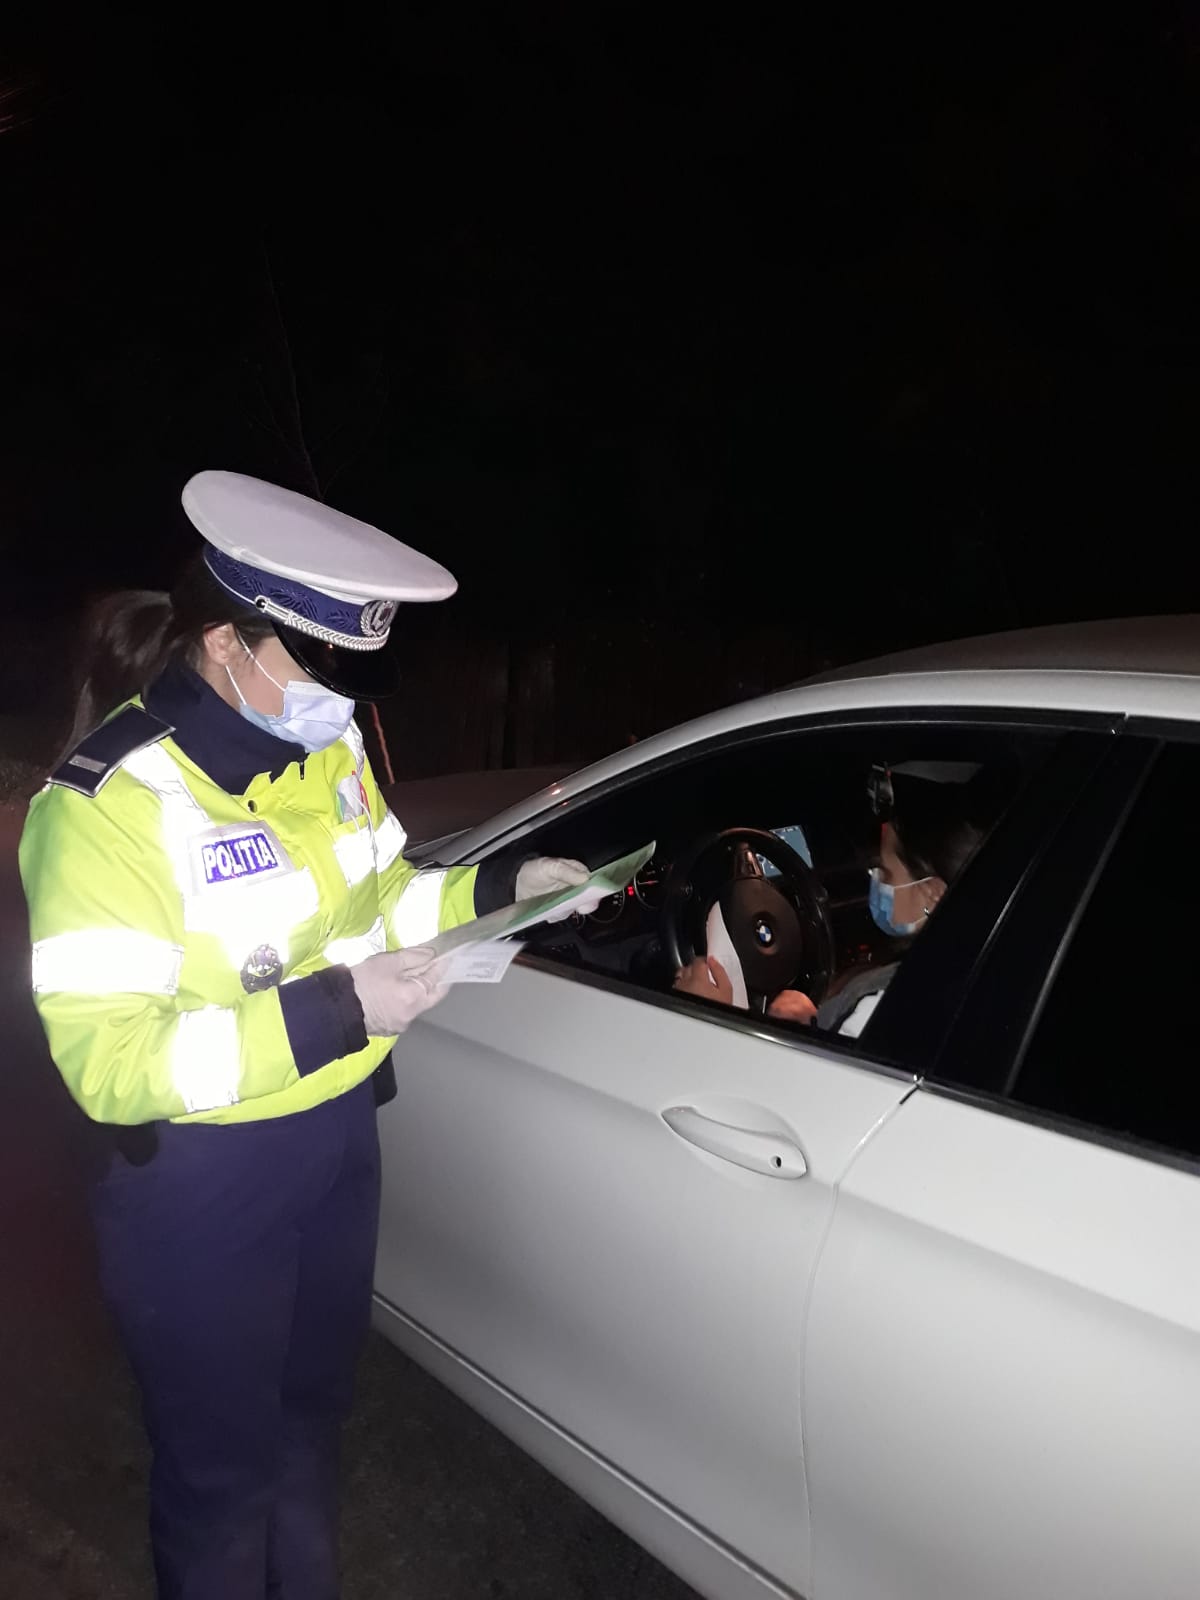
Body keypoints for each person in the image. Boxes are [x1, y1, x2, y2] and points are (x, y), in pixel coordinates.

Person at [19, 470, 595, 1600]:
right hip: (201, 1186)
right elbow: (111, 1066)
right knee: (221, 1478)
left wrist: (501, 890)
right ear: (226, 644)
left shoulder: (324, 755)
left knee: (310, 1428)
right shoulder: (107, 808)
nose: (338, 699)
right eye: (318, 665)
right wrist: (342, 1008)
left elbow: (387, 902)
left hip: (336, 1145)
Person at [673, 770, 986, 1037]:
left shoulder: (886, 1004)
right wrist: (811, 1026)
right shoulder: (959, 974)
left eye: (885, 872)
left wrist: (712, 1017)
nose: (874, 879)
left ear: (932, 893)